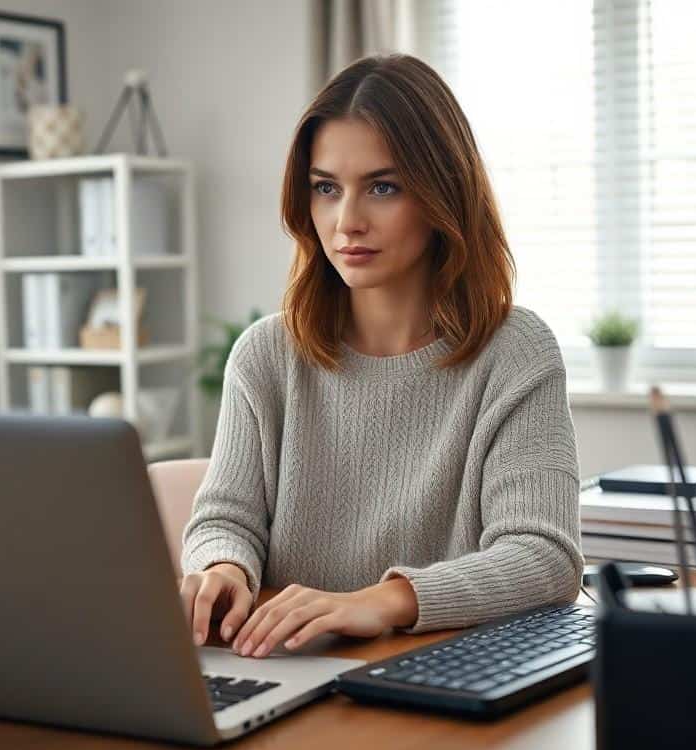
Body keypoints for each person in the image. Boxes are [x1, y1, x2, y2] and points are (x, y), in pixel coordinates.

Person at [179, 54, 581, 660]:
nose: (347, 222)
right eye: (326, 188)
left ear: (442, 193)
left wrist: (381, 601)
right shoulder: (266, 355)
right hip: (288, 670)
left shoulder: (515, 353)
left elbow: (544, 559)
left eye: (383, 187)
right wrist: (224, 567)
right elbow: (223, 520)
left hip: (439, 685)